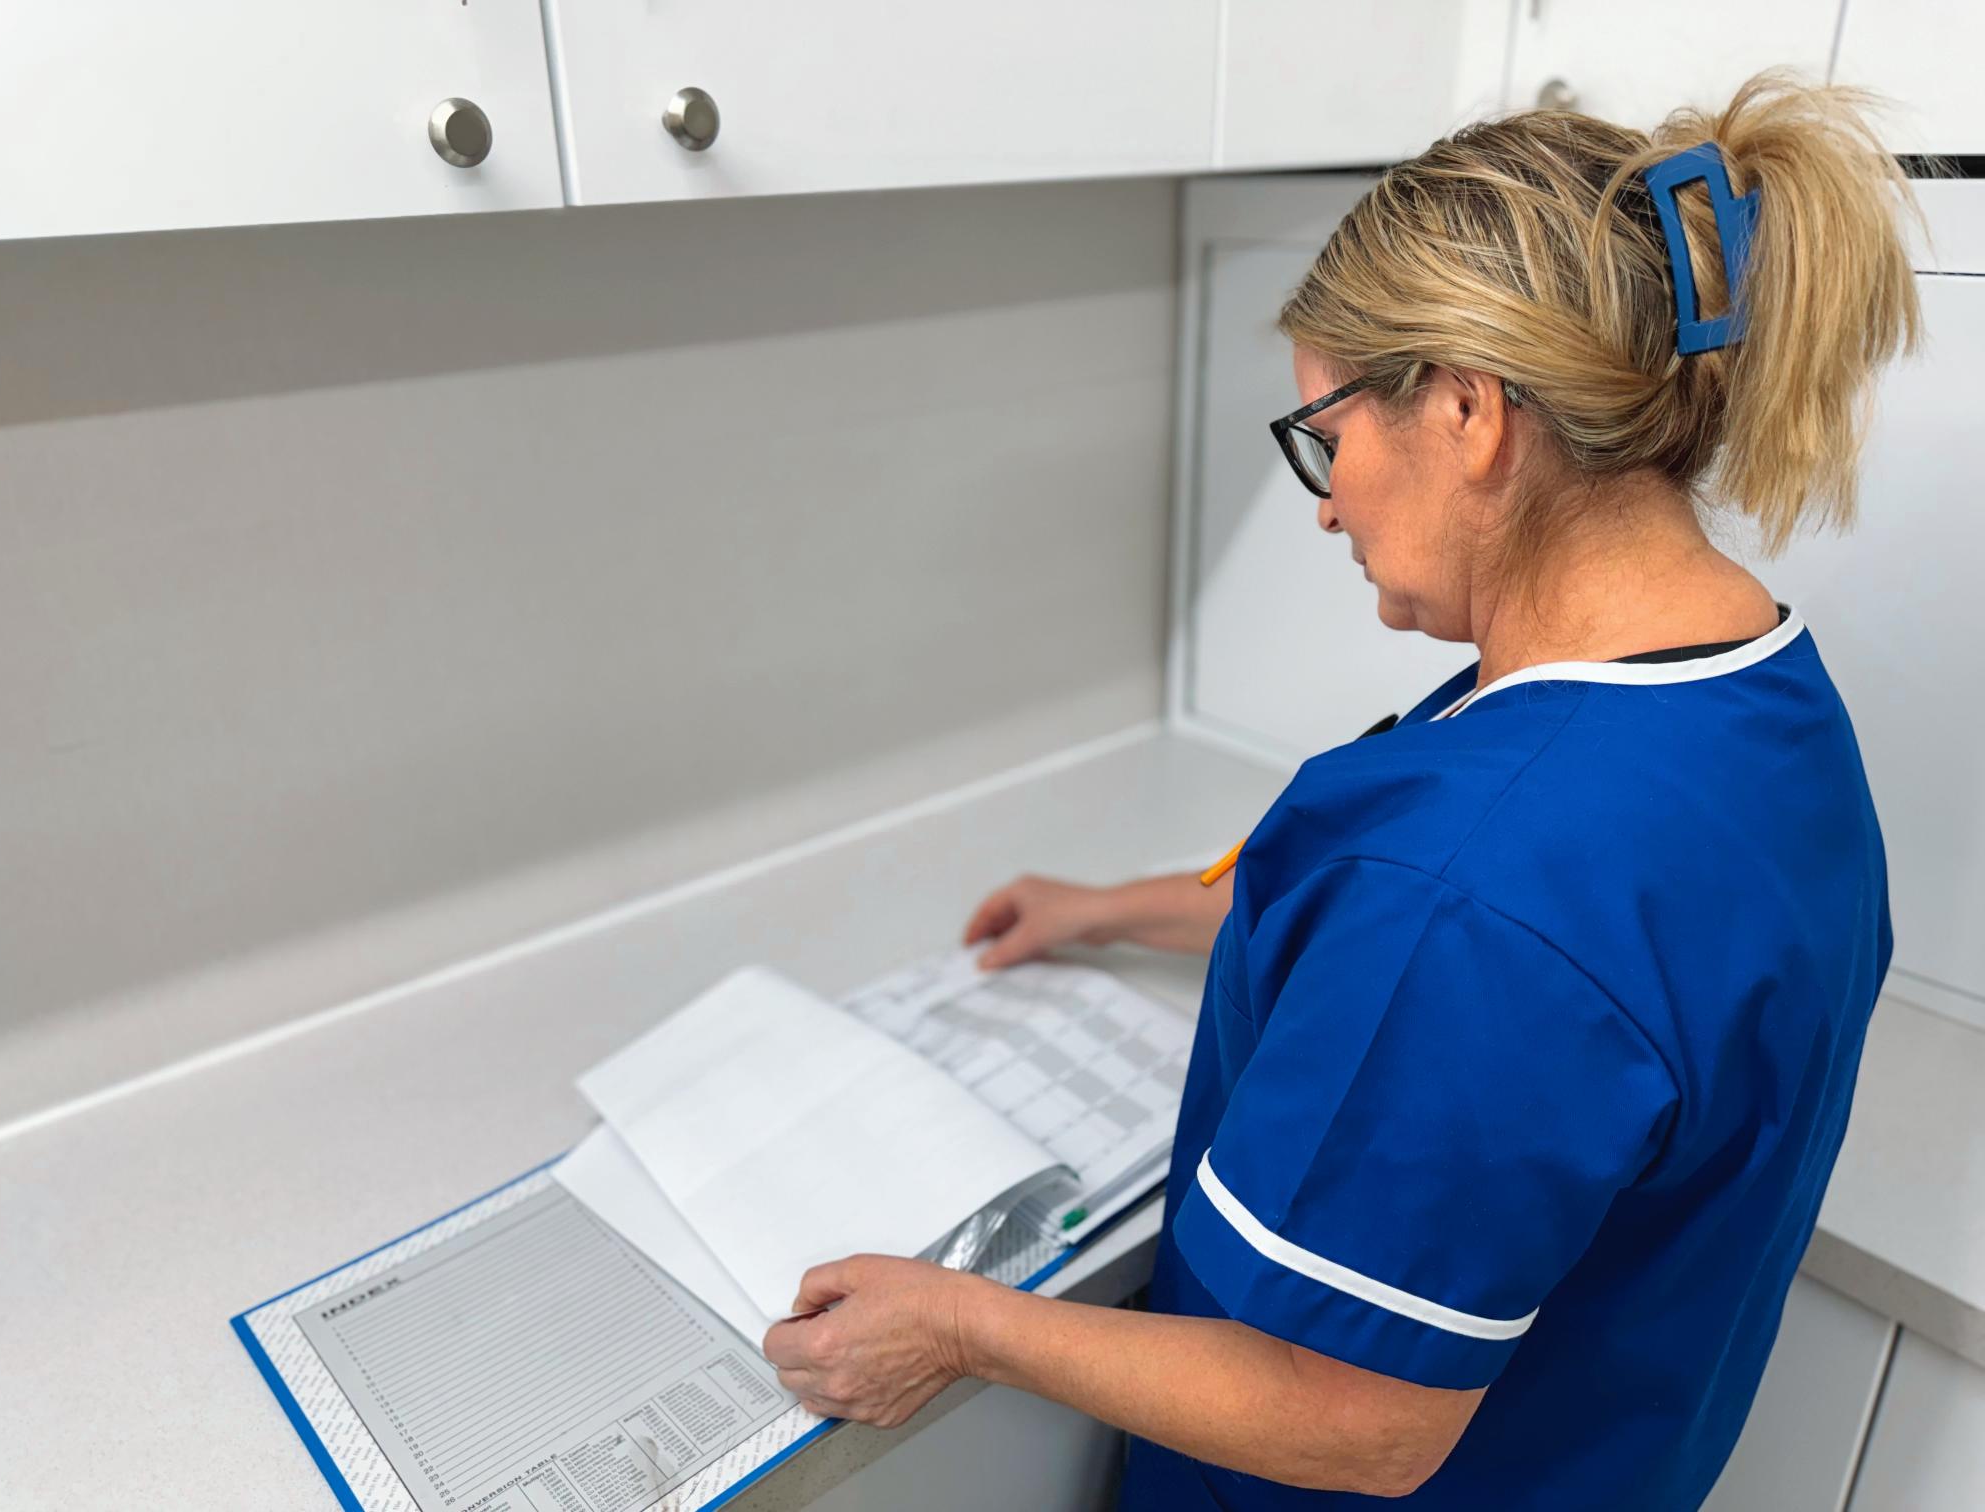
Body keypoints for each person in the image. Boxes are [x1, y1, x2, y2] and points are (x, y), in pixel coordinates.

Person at [761, 73, 1920, 1509]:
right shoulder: (1761, 703)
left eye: (1328, 435)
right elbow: (1482, 917)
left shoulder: (1475, 892)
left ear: (1463, 407)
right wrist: (1117, 907)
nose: (1326, 502)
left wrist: (956, 1323)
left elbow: (1356, 1416)